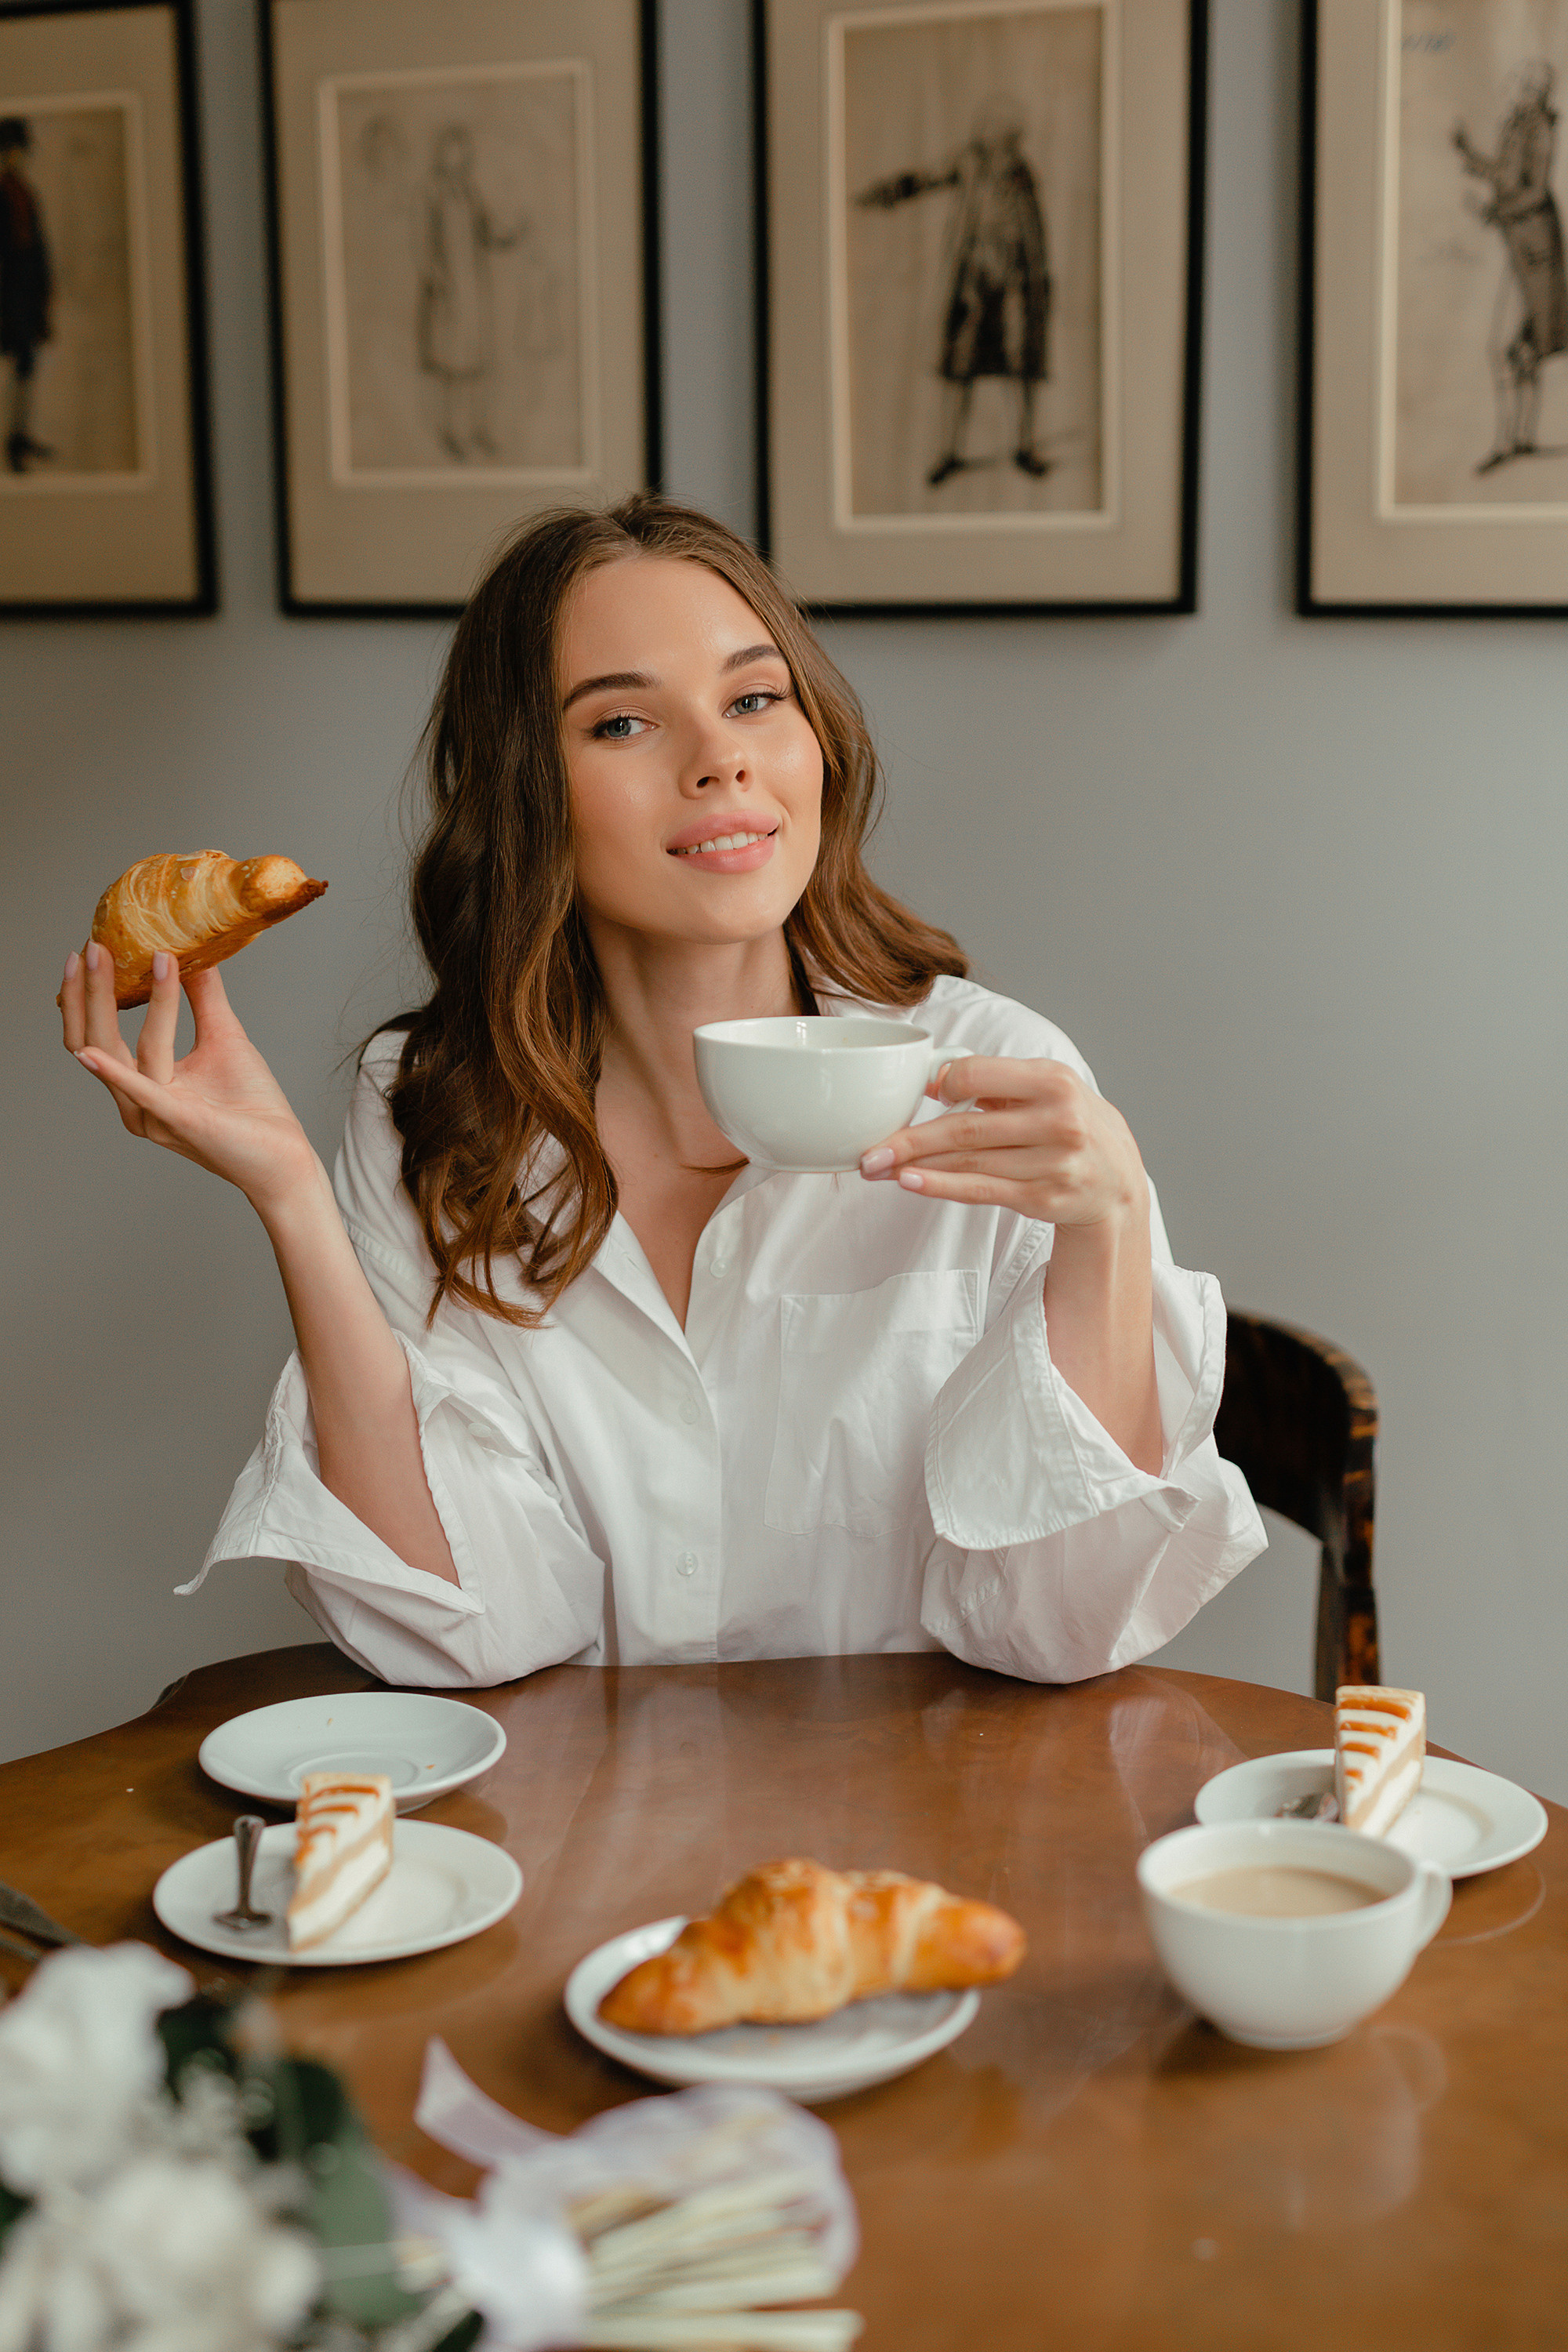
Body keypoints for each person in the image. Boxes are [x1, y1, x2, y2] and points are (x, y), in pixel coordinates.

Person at [60, 495, 1264, 1688]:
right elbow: (472, 1631)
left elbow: (1066, 1626)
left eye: (754, 699)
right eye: (624, 723)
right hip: (577, 1855)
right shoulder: (430, 1105)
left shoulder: (995, 1077)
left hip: (920, 1858)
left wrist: (1106, 1230)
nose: (722, 757)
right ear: (525, 789)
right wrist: (291, 1200)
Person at [857, 97, 1051, 486]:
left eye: (1010, 139)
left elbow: (1034, 231)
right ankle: (949, 452)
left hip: (1014, 282)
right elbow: (927, 177)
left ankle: (1025, 447)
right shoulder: (969, 162)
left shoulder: (1021, 172)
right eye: (1001, 137)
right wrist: (890, 192)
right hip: (974, 280)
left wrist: (1037, 280)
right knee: (960, 366)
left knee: (1021, 367)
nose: (1005, 145)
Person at [1454, 60, 1568, 474]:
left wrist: (1494, 211)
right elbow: (1506, 174)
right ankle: (1520, 439)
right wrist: (1467, 153)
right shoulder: (1518, 124)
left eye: (1517, 83)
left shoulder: (1539, 129)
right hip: (1523, 243)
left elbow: (1535, 192)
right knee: (1519, 346)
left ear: (1533, 91)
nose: (1509, 86)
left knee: (1507, 344)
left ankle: (1509, 443)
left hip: (1536, 247)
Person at [0, 117, 54, 476]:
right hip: (4, 296)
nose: (16, 158)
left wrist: (45, 295)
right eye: (10, 151)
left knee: (26, 364)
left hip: (24, 295)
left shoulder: (25, 193)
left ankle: (19, 437)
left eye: (19, 151)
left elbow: (38, 249)